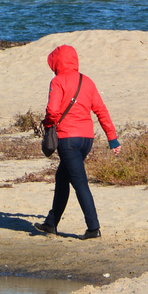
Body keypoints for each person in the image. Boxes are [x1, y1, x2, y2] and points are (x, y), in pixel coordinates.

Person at [33, 44, 120, 240]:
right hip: (86, 139)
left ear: (57, 62)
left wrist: (48, 125)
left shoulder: (57, 81)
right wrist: (112, 138)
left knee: (80, 183)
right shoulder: (87, 81)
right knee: (62, 178)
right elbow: (101, 111)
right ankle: (51, 223)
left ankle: (93, 228)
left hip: (68, 139)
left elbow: (52, 111)